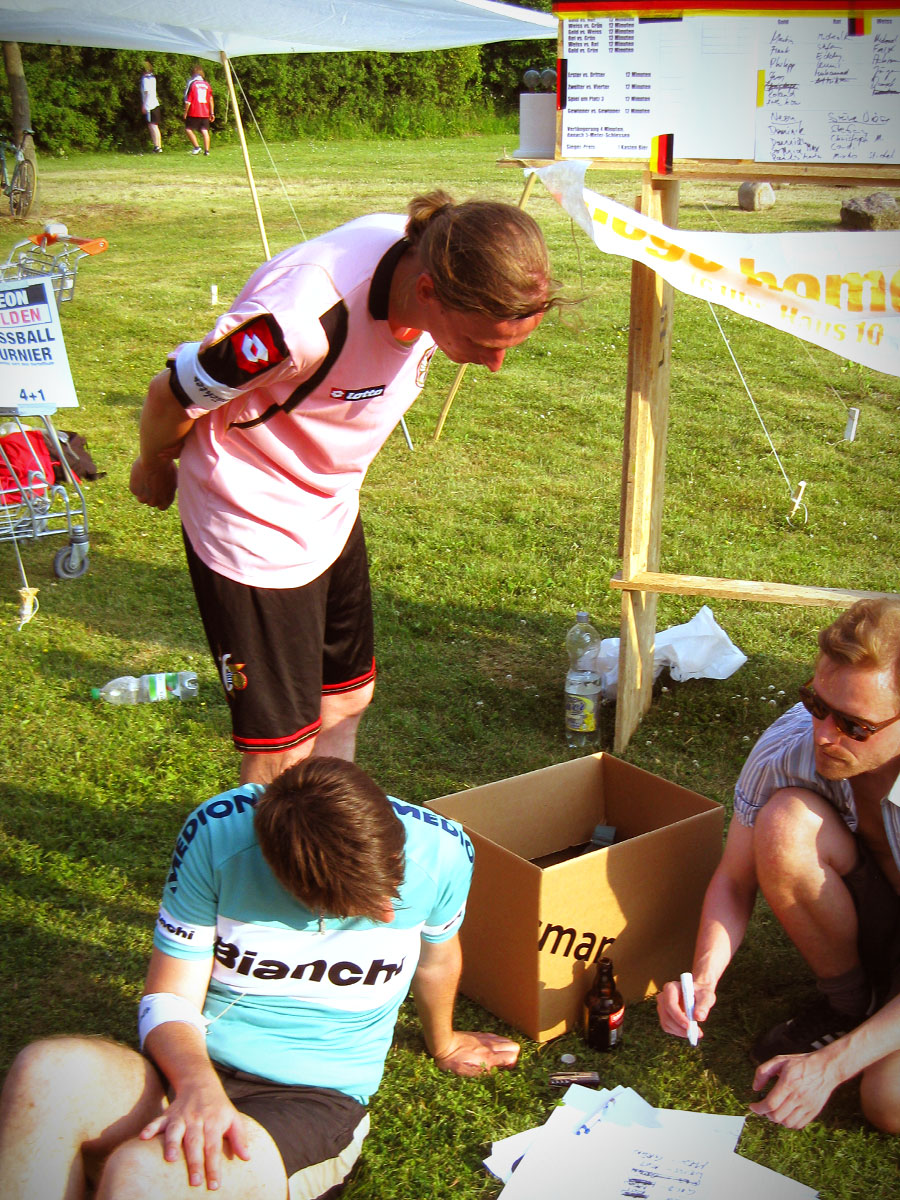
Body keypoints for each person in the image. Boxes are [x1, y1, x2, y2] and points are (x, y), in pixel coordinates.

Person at [130, 191, 556, 785]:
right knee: (283, 745)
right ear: (428, 291)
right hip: (250, 517)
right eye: (486, 345)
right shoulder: (297, 323)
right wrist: (155, 464)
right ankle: (270, 843)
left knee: (345, 700)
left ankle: (324, 841)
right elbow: (170, 395)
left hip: (328, 507)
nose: (495, 366)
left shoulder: (437, 252)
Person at [0, 756, 519, 1199]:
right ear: (288, 882)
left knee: (142, 1172)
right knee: (47, 1070)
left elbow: (436, 958)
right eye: (351, 907)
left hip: (313, 1099)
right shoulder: (217, 835)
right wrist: (196, 1085)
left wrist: (445, 1042)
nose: (388, 913)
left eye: (393, 887)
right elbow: (170, 994)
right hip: (190, 1067)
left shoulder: (443, 851)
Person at [657, 597, 900, 1133]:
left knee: (889, 1104)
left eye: (855, 726)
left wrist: (833, 1066)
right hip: (881, 912)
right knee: (785, 820)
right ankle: (849, 1004)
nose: (824, 735)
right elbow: (734, 879)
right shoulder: (789, 750)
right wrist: (704, 978)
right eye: (816, 703)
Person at [183, 64, 214, 155]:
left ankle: (197, 147)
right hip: (205, 111)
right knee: (204, 130)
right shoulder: (207, 84)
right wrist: (212, 112)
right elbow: (210, 99)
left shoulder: (192, 84)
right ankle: (207, 151)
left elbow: (188, 100)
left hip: (194, 110)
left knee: (188, 129)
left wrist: (185, 112)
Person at [140, 61, 163, 153]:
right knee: (155, 126)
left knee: (152, 126)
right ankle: (158, 146)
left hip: (149, 105)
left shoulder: (145, 79)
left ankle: (157, 146)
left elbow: (147, 92)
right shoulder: (152, 77)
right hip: (155, 103)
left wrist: (144, 105)